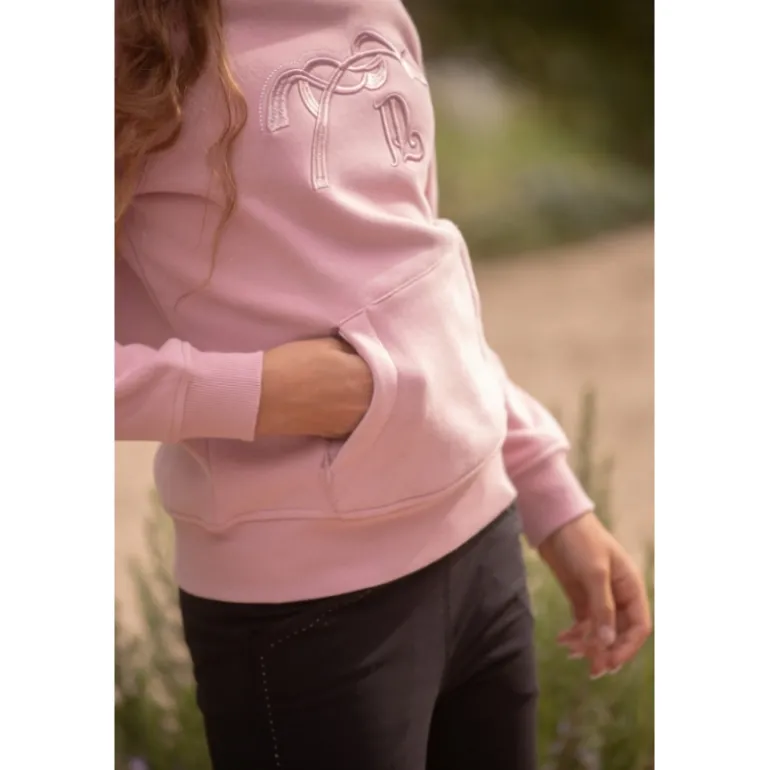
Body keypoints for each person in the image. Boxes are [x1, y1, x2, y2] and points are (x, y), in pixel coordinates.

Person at [115, 1, 652, 768]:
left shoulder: (373, 10)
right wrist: (263, 391)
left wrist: (545, 486)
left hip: (483, 545)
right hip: (308, 608)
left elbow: (415, 284)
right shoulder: (123, 42)